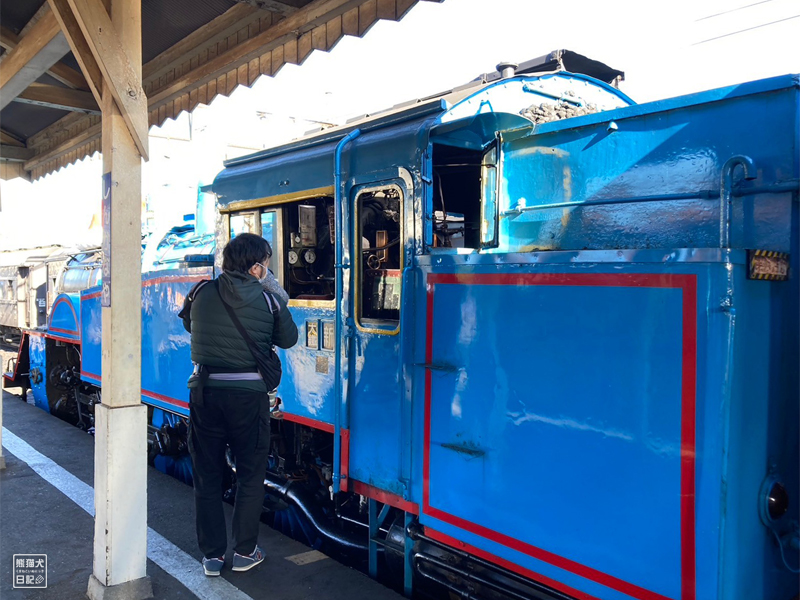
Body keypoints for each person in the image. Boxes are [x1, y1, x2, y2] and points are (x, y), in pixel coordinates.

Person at [181, 233, 298, 576]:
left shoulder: (202, 292)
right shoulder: (269, 300)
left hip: (206, 394)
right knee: (250, 474)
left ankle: (213, 557)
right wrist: (275, 291)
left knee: (207, 475)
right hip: (249, 398)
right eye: (268, 263)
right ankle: (245, 552)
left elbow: (190, 324)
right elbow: (288, 339)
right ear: (258, 266)